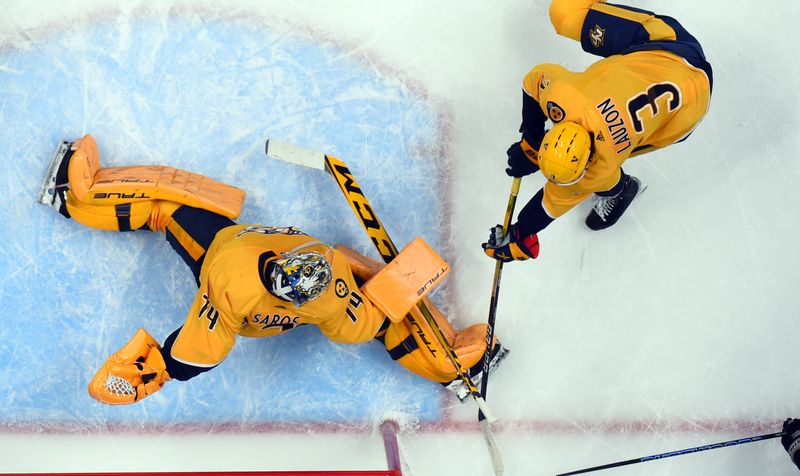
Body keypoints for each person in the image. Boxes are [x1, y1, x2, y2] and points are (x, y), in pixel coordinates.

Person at [38, 134, 507, 405]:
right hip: (233, 257)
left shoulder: (306, 296)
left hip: (233, 261)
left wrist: (153, 369)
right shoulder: (258, 289)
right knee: (172, 202)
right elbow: (197, 352)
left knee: (391, 311)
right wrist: (153, 369)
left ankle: (449, 366)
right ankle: (78, 192)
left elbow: (199, 350)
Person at [483, 0, 712, 262]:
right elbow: (535, 80)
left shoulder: (598, 167)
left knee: (608, 172)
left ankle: (622, 188)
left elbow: (549, 205)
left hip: (678, 90)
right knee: (564, 14)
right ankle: (619, 188)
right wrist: (532, 144)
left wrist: (522, 231)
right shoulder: (566, 97)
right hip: (674, 72)